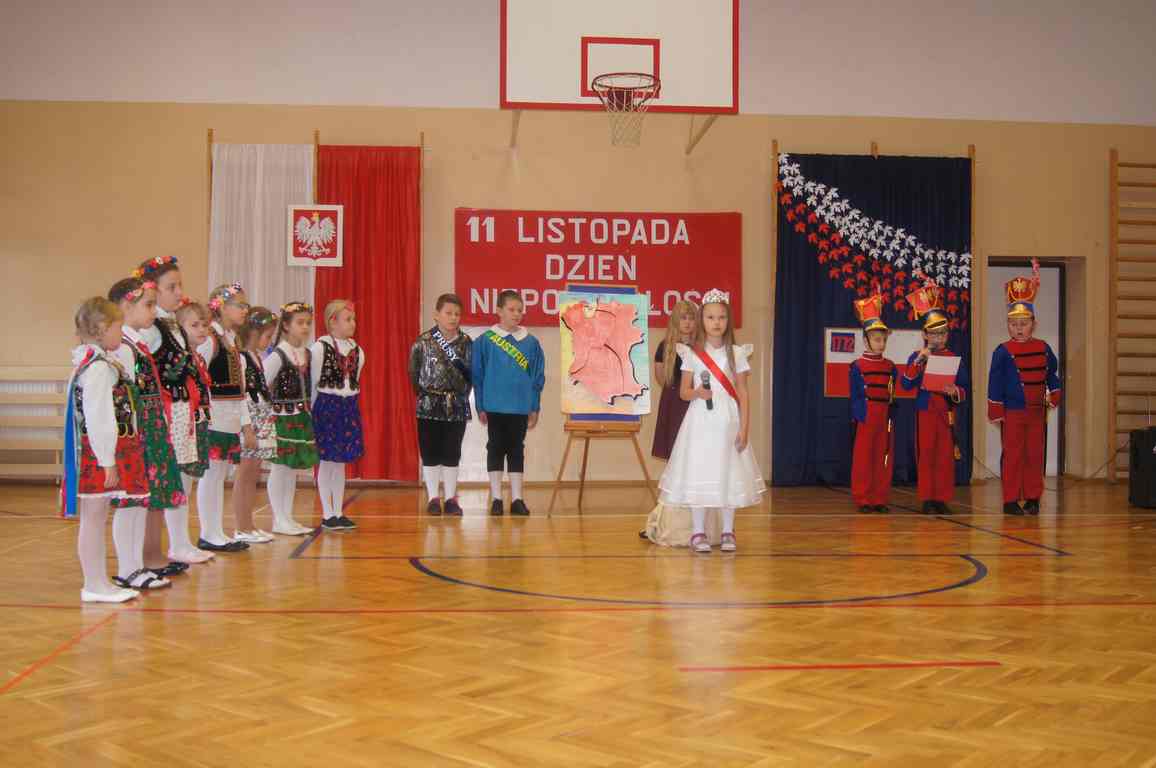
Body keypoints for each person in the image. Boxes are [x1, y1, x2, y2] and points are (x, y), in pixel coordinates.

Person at [657, 288, 766, 553]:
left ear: (728, 320)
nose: (716, 322)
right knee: (700, 471)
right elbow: (683, 392)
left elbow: (743, 393)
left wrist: (744, 428)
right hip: (700, 423)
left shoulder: (736, 354)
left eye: (721, 317)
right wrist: (697, 392)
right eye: (710, 317)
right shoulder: (691, 354)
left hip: (728, 421)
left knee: (728, 471)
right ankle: (698, 532)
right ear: (702, 321)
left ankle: (728, 531)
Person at [64, 297, 148, 603]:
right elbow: (98, 416)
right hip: (99, 453)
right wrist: (106, 460)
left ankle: (99, 581)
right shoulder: (97, 368)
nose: (120, 333)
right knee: (94, 518)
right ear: (101, 328)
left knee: (96, 518)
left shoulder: (99, 362)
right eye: (117, 327)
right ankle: (94, 584)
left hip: (103, 451)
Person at [133, 255, 213, 564]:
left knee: (183, 478)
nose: (179, 292)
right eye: (171, 287)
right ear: (152, 289)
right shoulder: (150, 330)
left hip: (184, 411)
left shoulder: (172, 325)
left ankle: (180, 542)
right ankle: (160, 549)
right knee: (169, 479)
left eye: (180, 285)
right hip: (168, 413)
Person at [108, 277, 182, 589]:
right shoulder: (123, 348)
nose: (154, 311)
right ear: (126, 306)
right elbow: (124, 399)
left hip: (149, 429)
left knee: (141, 501)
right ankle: (128, 569)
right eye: (148, 305)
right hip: (135, 434)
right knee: (130, 503)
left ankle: (136, 566)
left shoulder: (136, 343)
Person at [987, 260, 1062, 515]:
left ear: (1034, 324)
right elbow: (994, 382)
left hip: (1037, 412)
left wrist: (1055, 393)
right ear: (1008, 325)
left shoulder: (1043, 348)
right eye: (1013, 324)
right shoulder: (1002, 351)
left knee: (1034, 455)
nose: (1018, 329)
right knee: (1013, 455)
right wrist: (995, 410)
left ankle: (1032, 498)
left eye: (1023, 323)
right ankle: (1010, 500)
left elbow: (1051, 374)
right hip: (1013, 412)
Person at [196, 283, 264, 547]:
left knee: (219, 477)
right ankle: (208, 533)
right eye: (240, 305)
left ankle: (215, 531)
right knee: (211, 477)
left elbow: (240, 390)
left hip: (229, 421)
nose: (245, 310)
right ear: (221, 307)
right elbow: (198, 378)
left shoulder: (230, 340)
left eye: (246, 305)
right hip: (214, 419)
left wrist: (245, 425)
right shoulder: (210, 339)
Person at [471, 290, 545, 516]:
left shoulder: (531, 343)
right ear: (499, 311)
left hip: (520, 407)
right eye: (511, 309)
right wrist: (480, 406)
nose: (516, 314)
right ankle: (496, 498)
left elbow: (537, 378)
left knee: (516, 450)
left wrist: (534, 406)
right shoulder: (485, 341)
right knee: (495, 448)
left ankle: (517, 499)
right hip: (494, 406)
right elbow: (477, 376)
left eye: (520, 310)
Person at [901, 278, 968, 515]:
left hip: (947, 413)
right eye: (934, 334)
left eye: (942, 333)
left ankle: (942, 498)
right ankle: (928, 498)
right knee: (927, 454)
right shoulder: (917, 357)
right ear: (925, 334)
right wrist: (919, 361)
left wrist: (955, 391)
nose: (938, 338)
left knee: (944, 457)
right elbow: (906, 384)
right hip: (925, 411)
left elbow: (964, 388)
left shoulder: (953, 357)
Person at [409, 293, 473, 517]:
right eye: (448, 313)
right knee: (430, 452)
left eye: (457, 314)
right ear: (436, 315)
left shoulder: (466, 343)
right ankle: (433, 498)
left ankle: (451, 499)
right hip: (428, 404)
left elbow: (471, 375)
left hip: (456, 405)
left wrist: (459, 396)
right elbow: (413, 373)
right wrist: (427, 395)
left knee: (452, 452)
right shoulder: (422, 342)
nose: (453, 318)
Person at [263, 302, 319, 535]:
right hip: (282, 418)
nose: (305, 327)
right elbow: (261, 384)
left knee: (292, 469)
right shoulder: (278, 354)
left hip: (300, 416)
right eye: (300, 323)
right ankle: (278, 518)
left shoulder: (307, 353)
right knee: (280, 468)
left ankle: (287, 517)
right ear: (286, 326)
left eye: (308, 323)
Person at [309, 299, 364, 531]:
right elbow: (313, 382)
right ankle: (327, 513)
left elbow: (354, 381)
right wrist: (313, 413)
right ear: (332, 322)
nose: (352, 323)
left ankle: (338, 512)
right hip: (326, 407)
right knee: (326, 461)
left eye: (353, 319)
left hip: (347, 407)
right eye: (347, 319)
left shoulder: (358, 351)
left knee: (340, 463)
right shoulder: (320, 348)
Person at [849, 291, 897, 514]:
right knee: (864, 458)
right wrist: (860, 416)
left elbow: (893, 393)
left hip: (885, 417)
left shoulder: (890, 366)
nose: (882, 343)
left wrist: (890, 416)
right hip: (866, 416)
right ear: (866, 340)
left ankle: (879, 498)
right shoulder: (857, 366)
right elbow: (855, 395)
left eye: (884, 339)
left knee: (883, 457)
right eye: (877, 339)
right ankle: (863, 498)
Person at [235, 307, 279, 537]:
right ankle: (241, 526)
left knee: (254, 474)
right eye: (267, 335)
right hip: (250, 420)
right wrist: (248, 429)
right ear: (253, 332)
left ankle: (249, 525)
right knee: (245, 474)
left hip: (261, 417)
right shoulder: (241, 358)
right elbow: (241, 394)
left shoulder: (257, 357)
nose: (269, 340)